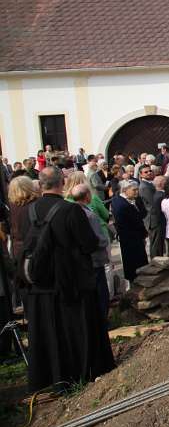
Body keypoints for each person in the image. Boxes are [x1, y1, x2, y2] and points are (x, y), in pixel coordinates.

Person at [18, 167, 114, 392]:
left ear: (40, 185)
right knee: (75, 331)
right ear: (62, 182)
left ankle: (53, 378)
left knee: (50, 335)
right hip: (70, 284)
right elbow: (89, 243)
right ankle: (83, 371)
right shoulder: (71, 210)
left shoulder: (29, 211)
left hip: (40, 286)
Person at [71, 183, 111, 319]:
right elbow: (99, 239)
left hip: (83, 259)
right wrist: (105, 241)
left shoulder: (72, 212)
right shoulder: (89, 215)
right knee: (100, 291)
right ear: (87, 196)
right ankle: (103, 318)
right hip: (95, 258)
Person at [111, 179, 148, 283]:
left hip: (132, 237)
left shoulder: (123, 200)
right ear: (125, 190)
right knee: (135, 265)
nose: (137, 192)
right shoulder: (123, 204)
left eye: (137, 190)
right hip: (131, 239)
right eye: (134, 190)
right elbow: (135, 221)